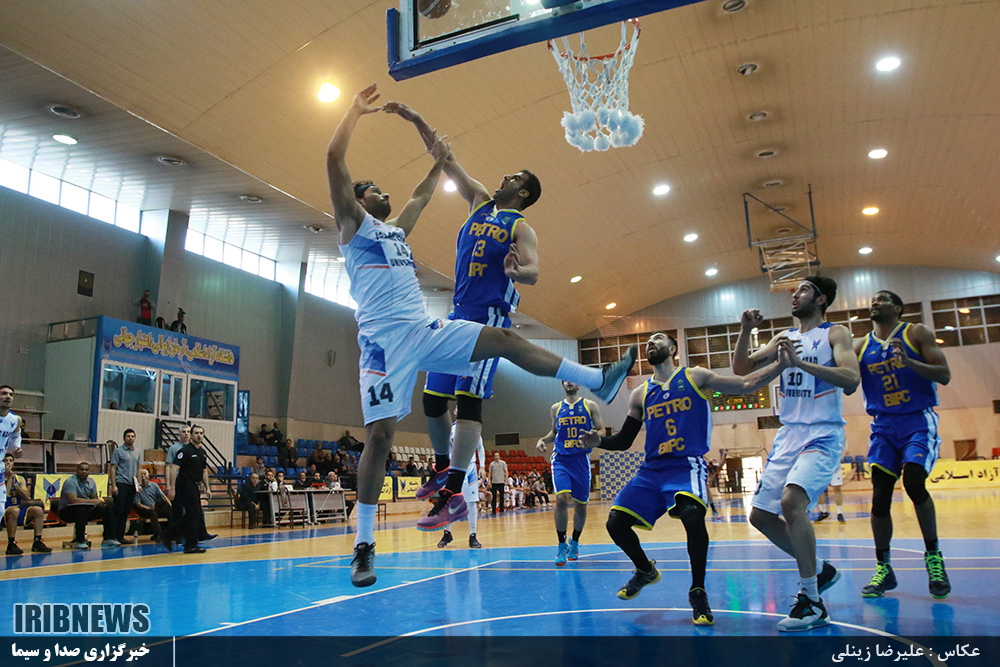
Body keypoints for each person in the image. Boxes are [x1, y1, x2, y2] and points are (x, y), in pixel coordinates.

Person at [326, 85, 637, 587]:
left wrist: (438, 157)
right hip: (383, 343)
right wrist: (359, 113)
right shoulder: (352, 224)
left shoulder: (399, 231)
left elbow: (423, 194)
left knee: (502, 352)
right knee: (384, 435)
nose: (384, 193)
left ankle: (597, 379)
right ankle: (366, 543)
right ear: (360, 200)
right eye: (375, 190)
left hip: (430, 326)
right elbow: (334, 159)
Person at [387, 101, 544, 525]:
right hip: (457, 313)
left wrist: (519, 271)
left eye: (514, 177)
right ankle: (442, 468)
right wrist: (418, 120)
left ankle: (455, 491)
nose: (504, 177)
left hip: (488, 319)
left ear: (523, 192)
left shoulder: (520, 226)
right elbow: (446, 158)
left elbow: (533, 270)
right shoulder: (478, 200)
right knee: (433, 399)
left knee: (468, 400)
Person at [583, 331, 787, 626]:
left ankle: (698, 591)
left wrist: (781, 364)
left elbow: (744, 383)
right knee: (615, 523)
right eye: (648, 341)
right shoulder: (640, 393)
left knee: (693, 516)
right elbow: (625, 440)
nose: (651, 343)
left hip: (686, 463)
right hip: (651, 469)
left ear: (673, 348)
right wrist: (598, 441)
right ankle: (645, 570)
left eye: (658, 338)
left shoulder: (695, 376)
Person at [732, 276, 861, 632]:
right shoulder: (783, 338)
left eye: (803, 289)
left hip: (822, 432)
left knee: (792, 503)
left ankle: (812, 600)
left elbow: (850, 379)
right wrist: (745, 331)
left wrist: (799, 365)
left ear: (821, 299)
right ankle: (820, 570)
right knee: (759, 516)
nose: (794, 294)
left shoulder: (835, 334)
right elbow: (741, 369)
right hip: (789, 434)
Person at [854, 290, 952, 599]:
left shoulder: (916, 333)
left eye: (882, 299)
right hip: (883, 426)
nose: (875, 302)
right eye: (873, 300)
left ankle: (933, 557)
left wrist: (908, 361)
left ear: (897, 307)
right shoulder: (860, 346)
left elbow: (945, 375)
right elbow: (842, 378)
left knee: (913, 482)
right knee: (880, 498)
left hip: (916, 422)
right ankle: (884, 568)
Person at [536, 381, 605, 565]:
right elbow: (553, 432)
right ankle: (561, 545)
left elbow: (602, 429)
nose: (568, 382)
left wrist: (594, 437)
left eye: (571, 379)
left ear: (578, 384)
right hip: (561, 459)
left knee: (581, 505)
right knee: (561, 498)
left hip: (581, 460)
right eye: (565, 379)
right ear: (562, 385)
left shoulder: (590, 405)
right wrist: (543, 439)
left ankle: (574, 541)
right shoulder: (556, 408)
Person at [437, 411, 486, 549]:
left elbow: (480, 449)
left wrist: (482, 466)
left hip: (470, 469)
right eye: (459, 408)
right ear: (455, 411)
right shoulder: (450, 430)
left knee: (471, 503)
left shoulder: (474, 429)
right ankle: (447, 533)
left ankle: (473, 536)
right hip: (453, 468)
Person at [162, 425, 211, 553]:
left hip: (195, 485)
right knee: (194, 515)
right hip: (185, 484)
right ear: (192, 435)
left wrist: (208, 488)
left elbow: (204, 471)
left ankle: (169, 534)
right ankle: (190, 544)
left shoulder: (202, 452)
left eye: (201, 433)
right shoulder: (185, 450)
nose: (199, 435)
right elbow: (173, 468)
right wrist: (171, 488)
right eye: (196, 433)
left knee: (192, 515)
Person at [58, 462, 115, 549]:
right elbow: (74, 500)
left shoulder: (91, 482)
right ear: (77, 471)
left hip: (85, 510)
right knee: (80, 508)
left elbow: (94, 498)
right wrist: (93, 501)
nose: (84, 471)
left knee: (107, 508)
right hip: (66, 511)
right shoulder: (70, 482)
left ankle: (108, 538)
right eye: (82, 469)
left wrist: (98, 503)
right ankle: (79, 540)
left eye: (86, 470)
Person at [4, 454, 51, 554]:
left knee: (37, 510)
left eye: (10, 460)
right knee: (15, 510)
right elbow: (4, 495)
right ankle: (11, 543)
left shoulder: (19, 479)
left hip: (16, 509)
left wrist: (15, 485)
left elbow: (27, 496)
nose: (8, 462)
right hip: (3, 510)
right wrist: (8, 480)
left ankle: (37, 541)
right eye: (5, 460)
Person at [107, 428, 142, 545]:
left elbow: (139, 469)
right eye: (128, 436)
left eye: (132, 436)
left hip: (132, 485)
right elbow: (113, 468)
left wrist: (139, 484)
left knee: (126, 511)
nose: (130, 438)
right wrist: (113, 485)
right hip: (121, 483)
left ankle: (120, 536)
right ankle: (112, 536)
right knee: (118, 510)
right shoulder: (118, 451)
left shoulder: (137, 452)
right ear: (124, 438)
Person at [133, 468, 170, 541]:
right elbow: (138, 504)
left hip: (154, 506)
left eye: (144, 474)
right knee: (153, 514)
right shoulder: (137, 489)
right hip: (143, 509)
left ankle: (173, 533)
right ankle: (158, 534)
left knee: (170, 511)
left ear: (148, 476)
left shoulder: (154, 485)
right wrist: (148, 508)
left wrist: (170, 504)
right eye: (141, 475)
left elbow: (163, 496)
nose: (143, 477)